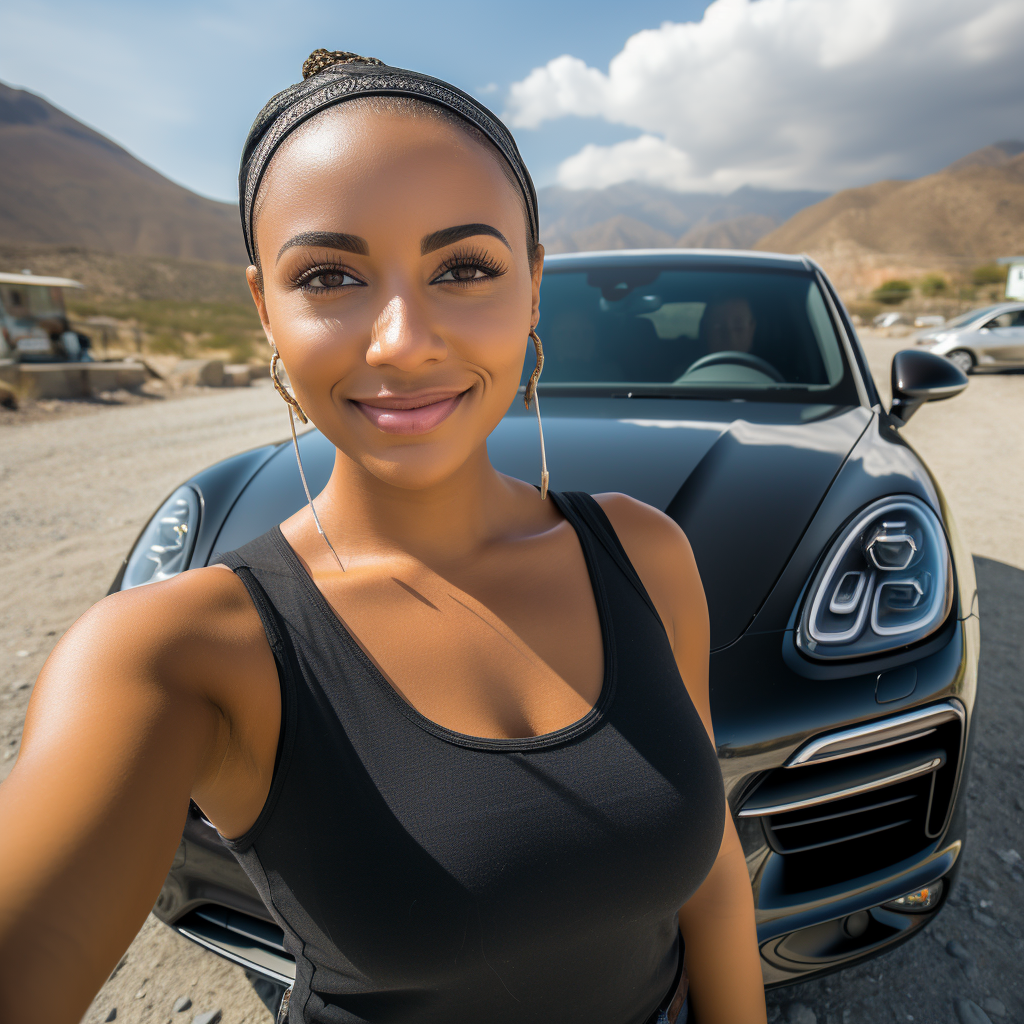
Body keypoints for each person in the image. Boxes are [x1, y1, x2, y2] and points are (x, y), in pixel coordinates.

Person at [0, 51, 767, 1024]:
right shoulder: (173, 654)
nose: (401, 338)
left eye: (464, 268)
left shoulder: (646, 555)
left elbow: (708, 872)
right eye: (328, 275)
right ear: (263, 311)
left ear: (532, 289)